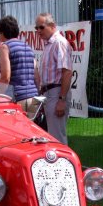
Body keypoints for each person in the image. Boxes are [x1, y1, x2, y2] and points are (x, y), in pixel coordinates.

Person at [36, 12, 73, 145]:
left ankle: (64, 164)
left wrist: (61, 100)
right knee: (52, 135)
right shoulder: (48, 44)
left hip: (56, 93)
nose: (38, 31)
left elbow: (67, 72)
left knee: (57, 137)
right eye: (37, 28)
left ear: (52, 26)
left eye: (41, 27)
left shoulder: (59, 43)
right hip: (49, 93)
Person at [0, 15, 38, 112]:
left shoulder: (5, 47)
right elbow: (36, 75)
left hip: (18, 97)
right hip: (34, 97)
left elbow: (6, 77)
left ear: (2, 32)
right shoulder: (27, 46)